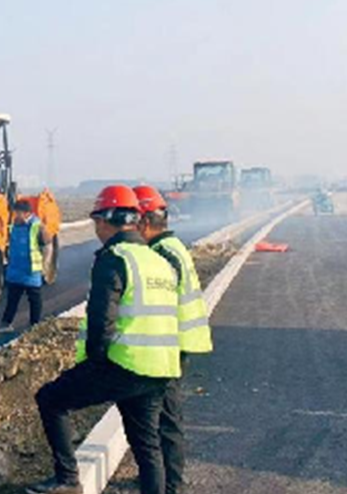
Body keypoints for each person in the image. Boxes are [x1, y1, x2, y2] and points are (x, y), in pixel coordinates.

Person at [27, 185, 181, 494]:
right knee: (147, 446)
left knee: (51, 400)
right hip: (162, 367)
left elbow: (101, 318)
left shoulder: (114, 258)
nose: (96, 229)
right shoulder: (158, 260)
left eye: (96, 221)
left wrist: (95, 363)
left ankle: (68, 479)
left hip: (126, 365)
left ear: (105, 220)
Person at [135, 185, 213, 494]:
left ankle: (172, 484)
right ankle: (164, 477)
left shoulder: (162, 254)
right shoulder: (171, 246)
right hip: (175, 342)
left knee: (166, 418)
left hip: (169, 345)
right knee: (162, 416)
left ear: (144, 222)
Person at [0, 200, 50, 332]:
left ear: (27, 213)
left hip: (31, 271)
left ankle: (35, 325)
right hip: (16, 269)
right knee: (12, 299)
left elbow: (47, 245)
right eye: (15, 212)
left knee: (34, 299)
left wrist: (45, 265)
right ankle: (6, 324)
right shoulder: (14, 225)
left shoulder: (37, 227)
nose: (16, 215)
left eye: (18, 213)